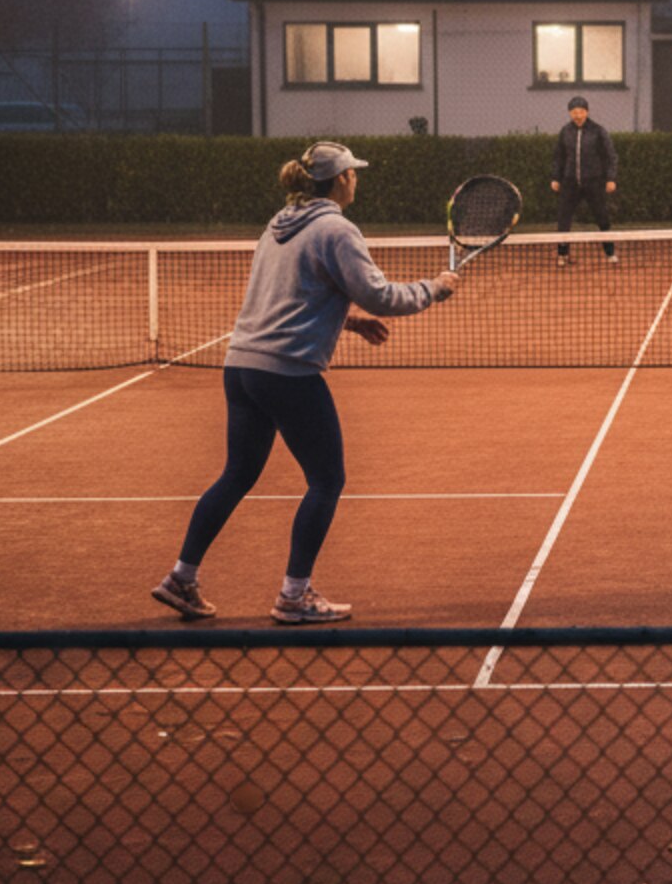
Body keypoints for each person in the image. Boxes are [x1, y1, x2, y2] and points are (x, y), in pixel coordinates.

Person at [150, 142, 457, 624]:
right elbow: (379, 294)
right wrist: (434, 290)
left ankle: (181, 578)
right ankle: (294, 596)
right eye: (352, 173)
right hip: (288, 372)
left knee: (237, 474)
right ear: (339, 182)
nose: (356, 179)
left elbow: (288, 293)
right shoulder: (337, 228)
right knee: (327, 479)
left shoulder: (277, 224)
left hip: (243, 368)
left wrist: (346, 321)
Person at [550, 95, 619, 263]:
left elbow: (611, 156)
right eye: (574, 112)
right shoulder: (565, 131)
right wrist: (555, 178)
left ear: (587, 112)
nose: (577, 115)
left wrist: (610, 178)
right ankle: (562, 254)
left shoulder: (598, 131)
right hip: (570, 182)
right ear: (569, 113)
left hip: (594, 182)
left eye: (581, 111)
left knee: (602, 218)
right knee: (563, 219)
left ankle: (610, 253)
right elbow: (559, 157)